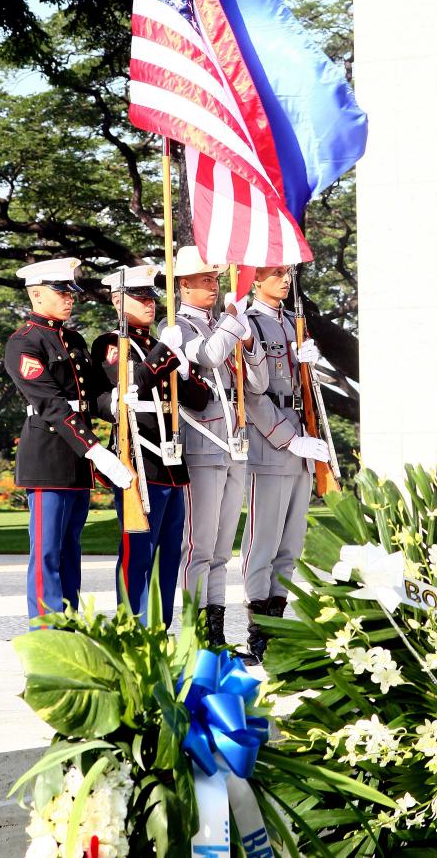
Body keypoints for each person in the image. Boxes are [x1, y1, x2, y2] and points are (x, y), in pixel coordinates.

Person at [4, 257, 134, 623]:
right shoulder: (24, 344)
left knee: (69, 550)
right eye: (61, 291)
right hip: (47, 457)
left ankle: (70, 623)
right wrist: (96, 450)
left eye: (70, 291)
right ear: (36, 294)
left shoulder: (72, 339)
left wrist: (119, 402)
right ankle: (47, 632)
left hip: (77, 459)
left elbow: (92, 397)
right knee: (47, 552)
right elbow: (52, 405)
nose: (69, 298)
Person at [90, 262, 211, 626]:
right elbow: (128, 389)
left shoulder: (160, 344)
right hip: (139, 456)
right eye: (139, 297)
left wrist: (185, 368)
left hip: (172, 463)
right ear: (117, 300)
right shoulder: (112, 345)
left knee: (169, 554)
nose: (150, 304)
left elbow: (198, 400)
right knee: (138, 549)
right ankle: (133, 623)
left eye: (151, 297)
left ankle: (160, 626)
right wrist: (161, 355)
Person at [174, 246, 269, 645]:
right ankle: (196, 635)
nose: (213, 286)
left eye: (215, 279)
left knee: (220, 551)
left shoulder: (221, 325)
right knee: (198, 546)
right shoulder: (178, 327)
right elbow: (210, 357)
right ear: (183, 285)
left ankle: (216, 635)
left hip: (233, 447)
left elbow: (258, 384)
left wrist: (247, 342)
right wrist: (233, 323)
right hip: (202, 443)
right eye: (205, 280)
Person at [240, 264, 330, 661]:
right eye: (273, 272)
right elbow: (252, 394)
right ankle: (258, 633)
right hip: (272, 445)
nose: (284, 278)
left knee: (290, 545)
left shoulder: (295, 324)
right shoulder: (249, 325)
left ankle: (277, 630)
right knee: (262, 543)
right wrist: (289, 439)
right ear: (253, 279)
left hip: (303, 441)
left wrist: (313, 362)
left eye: (286, 272)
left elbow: (310, 388)